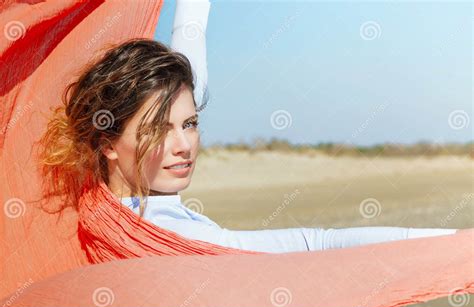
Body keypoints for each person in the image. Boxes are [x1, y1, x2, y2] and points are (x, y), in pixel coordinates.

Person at [38, 3, 458, 255]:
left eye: (191, 124)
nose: (185, 145)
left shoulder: (99, 202)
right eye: (160, 130)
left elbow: (189, 33)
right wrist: (456, 244)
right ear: (108, 144)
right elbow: (318, 245)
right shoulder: (172, 234)